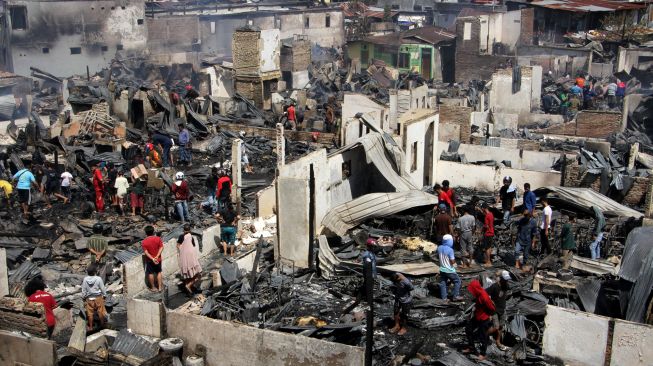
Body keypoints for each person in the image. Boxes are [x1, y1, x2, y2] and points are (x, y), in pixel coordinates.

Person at [464, 280, 496, 361]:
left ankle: (482, 353)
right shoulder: (479, 294)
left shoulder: (484, 297)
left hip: (484, 318)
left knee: (483, 336)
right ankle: (471, 347)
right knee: (468, 329)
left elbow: (492, 308)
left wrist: (489, 316)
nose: (471, 291)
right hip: (477, 316)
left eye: (472, 289)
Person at [486, 271, 510, 351]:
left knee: (501, 327)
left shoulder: (506, 285)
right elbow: (485, 293)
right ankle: (483, 336)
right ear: (501, 278)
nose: (507, 281)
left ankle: (498, 341)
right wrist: (491, 301)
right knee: (495, 327)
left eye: (507, 279)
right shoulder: (494, 286)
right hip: (494, 310)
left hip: (502, 309)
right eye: (505, 279)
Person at [177, 224, 202, 294]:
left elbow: (178, 245)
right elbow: (193, 246)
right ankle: (188, 286)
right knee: (198, 274)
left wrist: (183, 251)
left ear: (183, 230)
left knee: (187, 273)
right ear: (190, 230)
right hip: (191, 257)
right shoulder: (191, 237)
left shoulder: (181, 236)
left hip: (184, 257)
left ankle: (187, 286)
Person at [82, 264, 107, 331]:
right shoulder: (98, 279)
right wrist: (104, 295)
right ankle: (102, 325)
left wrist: (83, 297)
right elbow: (102, 288)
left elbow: (84, 290)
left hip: (89, 298)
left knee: (90, 314)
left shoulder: (85, 279)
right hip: (98, 298)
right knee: (100, 311)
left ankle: (90, 327)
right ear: (95, 271)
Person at [438, 234, 463, 301]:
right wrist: (455, 264)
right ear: (450, 241)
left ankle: (444, 298)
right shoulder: (450, 250)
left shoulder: (439, 248)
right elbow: (452, 261)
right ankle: (455, 296)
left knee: (443, 282)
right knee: (457, 281)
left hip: (442, 269)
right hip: (449, 270)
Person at [142, 225, 164, 292]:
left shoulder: (144, 242)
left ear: (146, 233)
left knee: (150, 273)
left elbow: (146, 252)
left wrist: (152, 258)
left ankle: (153, 288)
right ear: (153, 231)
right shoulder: (158, 239)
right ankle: (160, 287)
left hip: (150, 260)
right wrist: (157, 256)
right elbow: (161, 247)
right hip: (158, 259)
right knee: (159, 272)